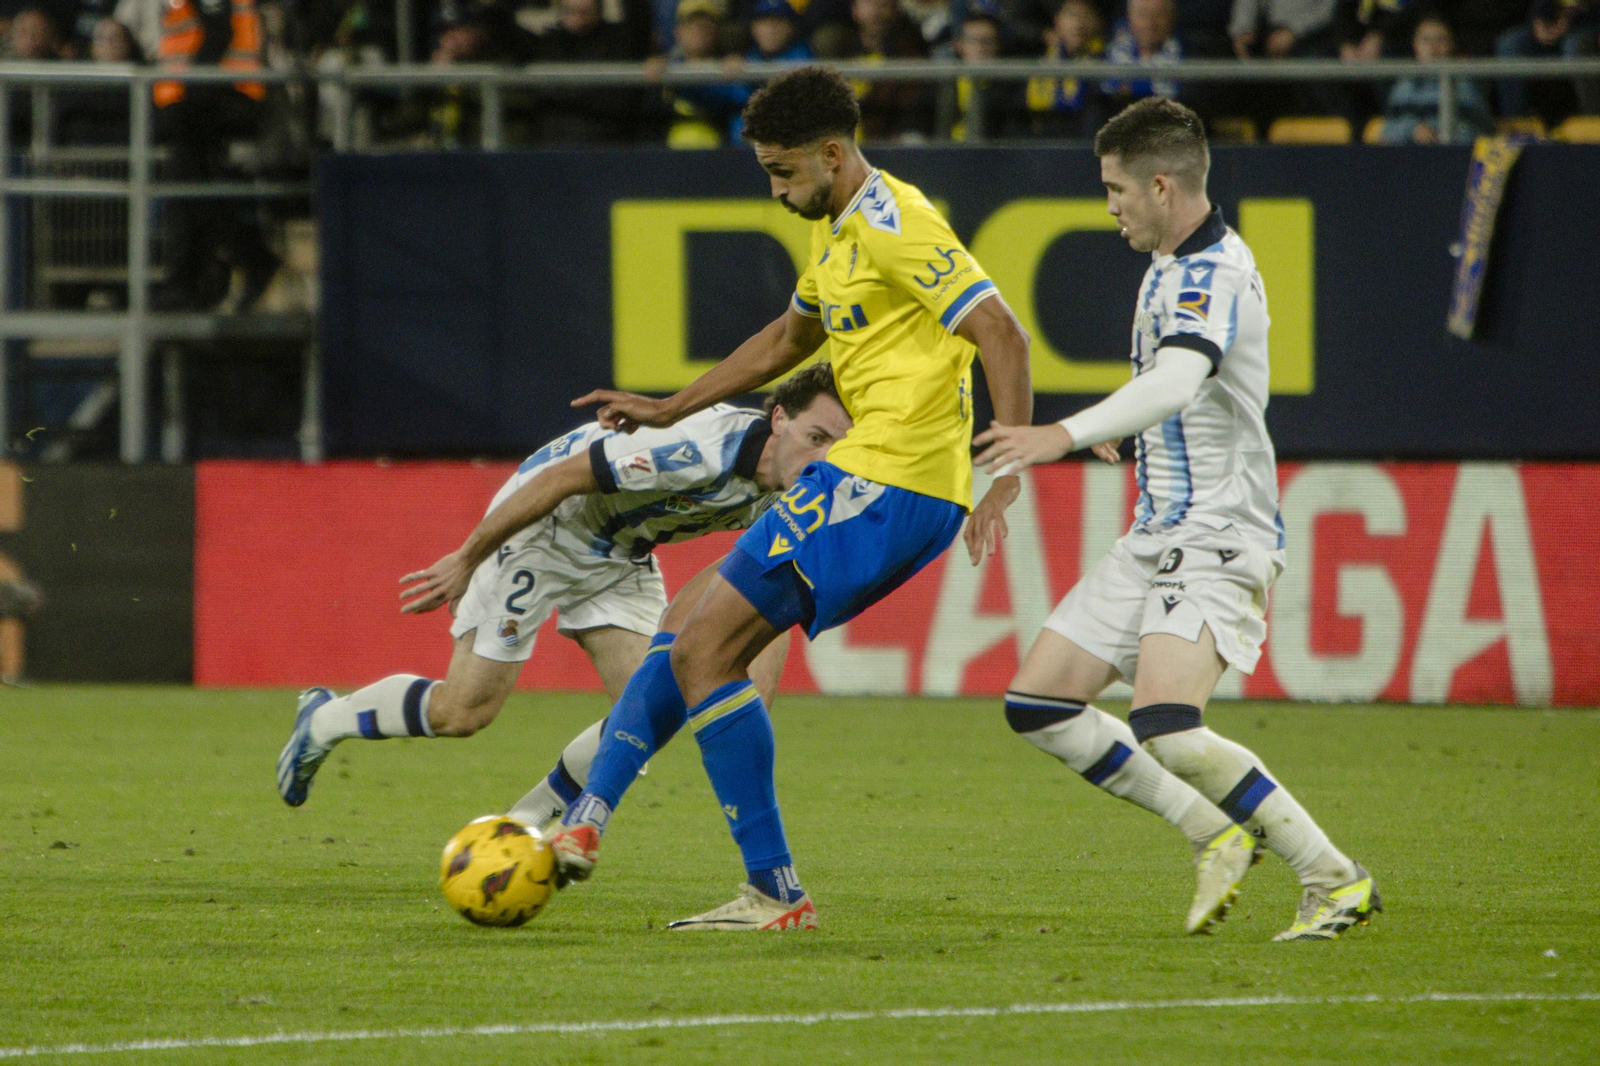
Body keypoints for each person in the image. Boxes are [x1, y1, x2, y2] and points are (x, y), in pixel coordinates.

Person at [548, 65, 1033, 931]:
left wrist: (1012, 463)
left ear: (833, 154)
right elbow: (786, 338)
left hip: (889, 479)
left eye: (783, 172)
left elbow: (1000, 329)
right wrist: (669, 406)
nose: (775, 191)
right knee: (689, 629)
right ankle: (588, 821)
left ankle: (766, 886)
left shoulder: (897, 224)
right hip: (873, 481)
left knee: (705, 651)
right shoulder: (837, 231)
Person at [971, 97, 1380, 942]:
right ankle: (1214, 832)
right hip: (1157, 534)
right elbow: (1177, 389)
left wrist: (1061, 433)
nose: (1109, 206)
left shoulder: (1210, 272)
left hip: (1218, 534)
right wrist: (1131, 429)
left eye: (1116, 189)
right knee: (1039, 703)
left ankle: (1334, 879)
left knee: (1168, 725)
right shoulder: (1171, 261)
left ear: (1161, 185)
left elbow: (1180, 378)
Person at [275, 366, 852, 810]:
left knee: (646, 716)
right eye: (815, 435)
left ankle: (522, 827)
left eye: (837, 444)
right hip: (547, 527)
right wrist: (467, 557)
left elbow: (765, 592)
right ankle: (325, 719)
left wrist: (752, 713)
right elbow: (562, 477)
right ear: (779, 419)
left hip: (622, 553)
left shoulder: (799, 491)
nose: (822, 457)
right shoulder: (700, 448)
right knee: (464, 711)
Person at [1379, 14, 1494, 143]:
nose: (1432, 47)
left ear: (1451, 45)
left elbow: (1481, 131)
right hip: (1411, 152)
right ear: (1415, 45)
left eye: (1440, 40)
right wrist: (1413, 130)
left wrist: (1445, 134)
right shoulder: (1404, 85)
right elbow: (1389, 131)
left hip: (1453, 152)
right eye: (1425, 40)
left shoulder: (1465, 84)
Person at [1494, 0, 1599, 117]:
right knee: (1509, 45)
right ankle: (1515, 120)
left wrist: (1572, 20)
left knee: (1574, 46)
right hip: (1553, 21)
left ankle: (1592, 117)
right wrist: (1539, 21)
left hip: (1587, 25)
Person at [1027, 0, 1106, 139]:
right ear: (1057, 21)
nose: (1078, 24)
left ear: (1097, 22)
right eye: (1072, 15)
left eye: (1086, 15)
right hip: (1044, 139)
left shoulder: (1107, 59)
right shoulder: (1039, 58)